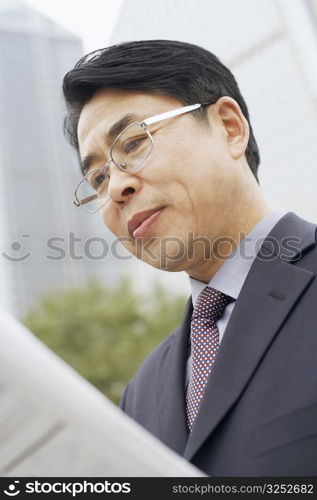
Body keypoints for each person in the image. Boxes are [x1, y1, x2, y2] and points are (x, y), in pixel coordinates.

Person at [62, 40, 317, 476]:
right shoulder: (143, 392)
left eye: (134, 142)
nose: (117, 187)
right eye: (98, 177)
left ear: (229, 127)